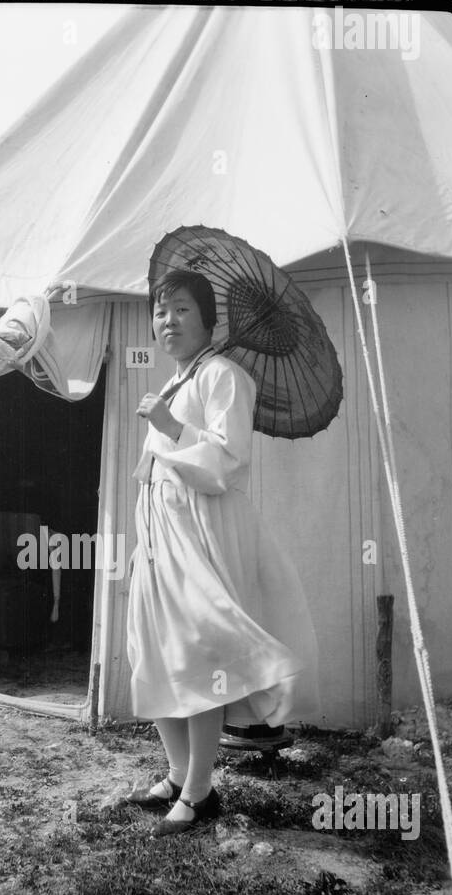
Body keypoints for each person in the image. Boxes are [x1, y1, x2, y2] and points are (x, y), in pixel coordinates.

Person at [125, 270, 319, 836]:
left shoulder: (224, 377)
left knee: (200, 652)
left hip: (201, 529)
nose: (168, 321)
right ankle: (177, 772)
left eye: (182, 310)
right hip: (160, 532)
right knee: (155, 649)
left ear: (210, 321)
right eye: (161, 312)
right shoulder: (174, 382)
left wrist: (171, 428)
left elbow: (226, 461)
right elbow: (152, 467)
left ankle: (201, 791)